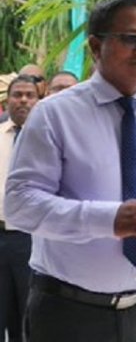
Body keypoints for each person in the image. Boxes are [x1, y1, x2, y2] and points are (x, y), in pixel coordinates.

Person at [3, 0, 136, 342]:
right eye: (132, 39)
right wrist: (109, 219)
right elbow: (20, 204)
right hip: (69, 314)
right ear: (95, 46)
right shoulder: (55, 115)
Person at [0, 75, 40, 341]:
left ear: (39, 100)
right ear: (7, 100)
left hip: (31, 240)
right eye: (18, 94)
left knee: (27, 321)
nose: (23, 100)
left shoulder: (48, 138)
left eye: (29, 95)